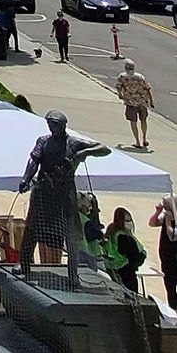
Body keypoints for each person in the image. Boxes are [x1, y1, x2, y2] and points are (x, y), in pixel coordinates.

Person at [19, 112, 112, 288]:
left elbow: (104, 148)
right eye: (49, 125)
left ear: (62, 125)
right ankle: (23, 266)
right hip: (43, 190)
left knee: (72, 233)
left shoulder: (74, 143)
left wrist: (85, 152)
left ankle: (73, 275)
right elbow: (34, 162)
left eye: (54, 125)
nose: (51, 128)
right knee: (31, 227)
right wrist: (25, 179)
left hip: (64, 193)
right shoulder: (43, 141)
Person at [116, 59, 155, 149]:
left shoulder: (122, 76)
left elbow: (119, 87)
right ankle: (144, 138)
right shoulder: (140, 77)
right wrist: (151, 101)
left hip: (130, 102)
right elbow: (147, 89)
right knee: (143, 120)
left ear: (125, 67)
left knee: (133, 122)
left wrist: (121, 95)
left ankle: (137, 141)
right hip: (142, 102)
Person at [149, 195, 177, 311]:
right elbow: (152, 223)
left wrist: (168, 221)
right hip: (167, 256)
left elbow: (173, 236)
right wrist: (157, 212)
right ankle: (173, 308)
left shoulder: (171, 217)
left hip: (176, 255)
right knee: (169, 285)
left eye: (166, 204)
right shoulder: (167, 215)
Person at [108, 208, 147, 294]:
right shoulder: (124, 238)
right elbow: (134, 255)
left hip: (116, 269)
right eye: (127, 220)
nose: (129, 223)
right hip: (126, 272)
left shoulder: (113, 232)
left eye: (130, 220)